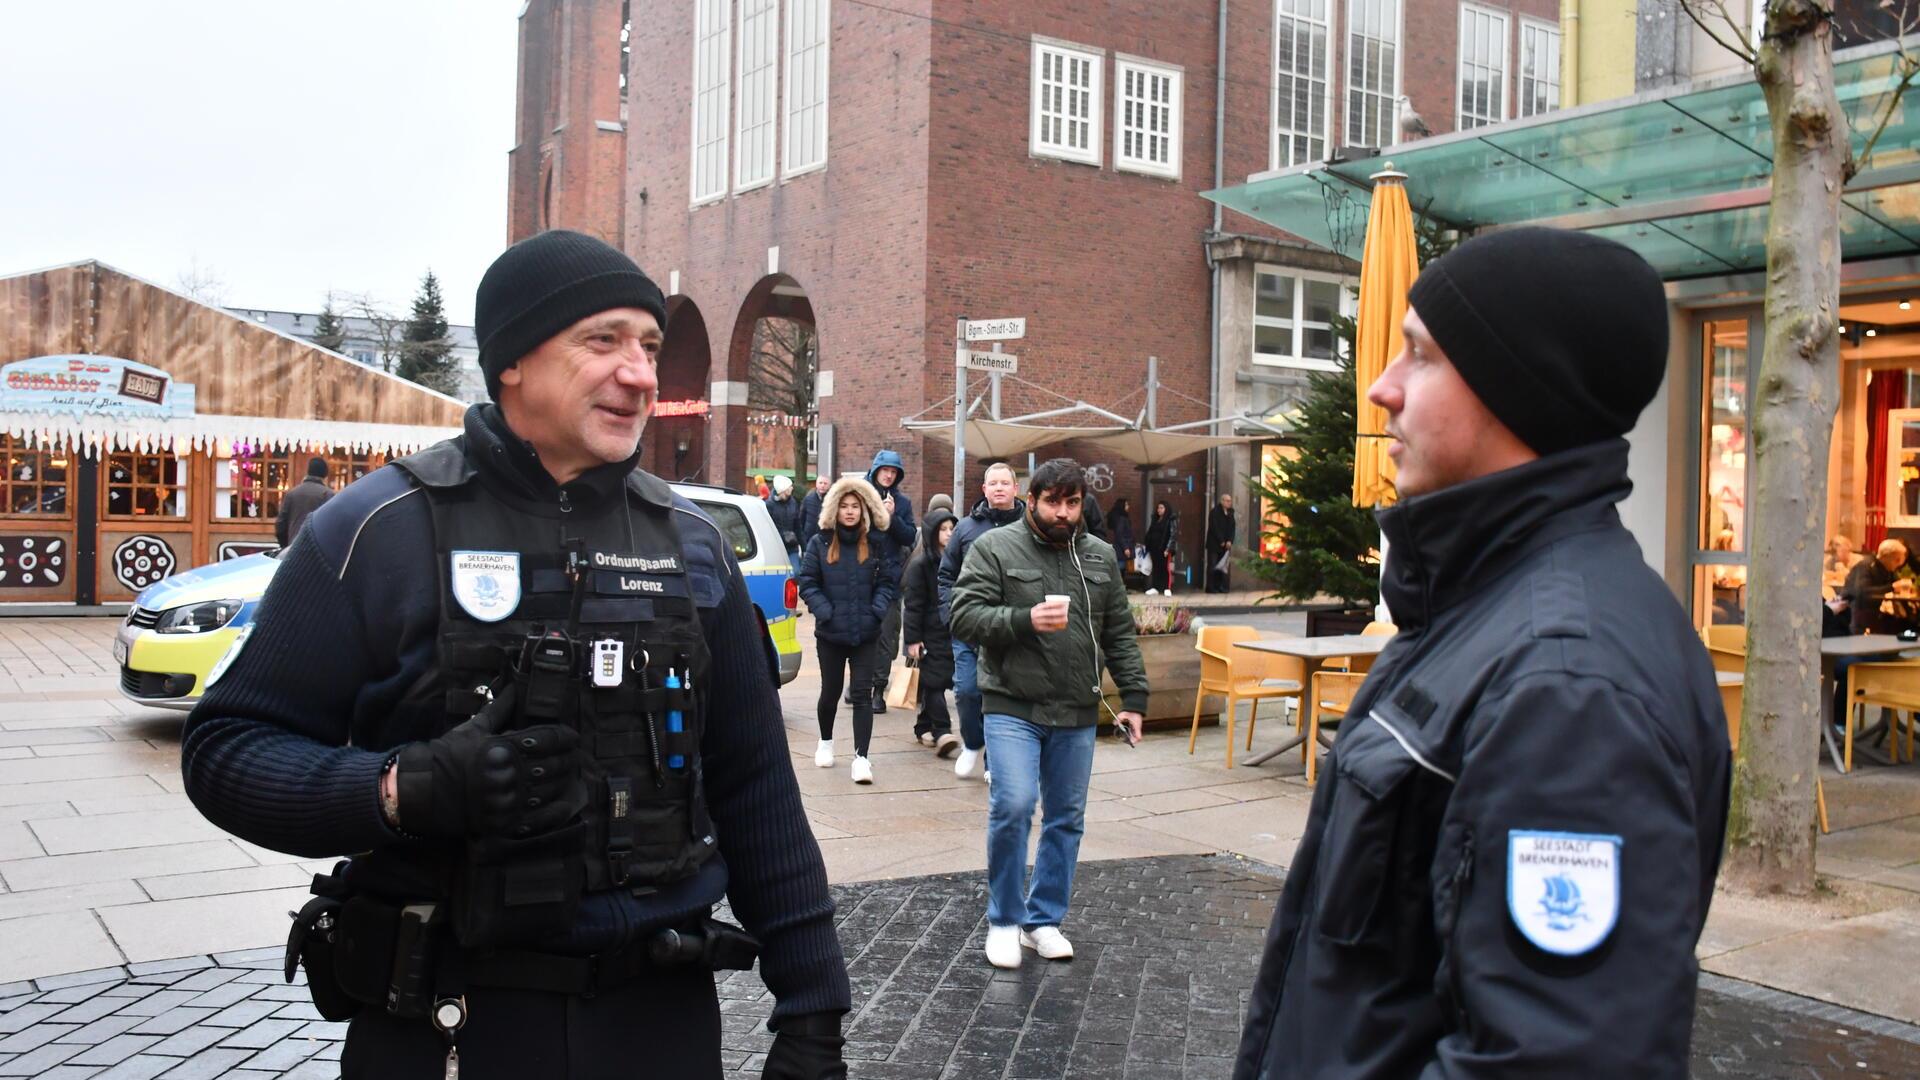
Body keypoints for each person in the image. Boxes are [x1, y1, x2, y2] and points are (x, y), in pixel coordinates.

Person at [180, 230, 850, 1080]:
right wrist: (399, 789)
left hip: (657, 1024)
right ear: (512, 363)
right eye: (602, 340)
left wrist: (813, 1012)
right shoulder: (374, 531)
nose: (641, 373)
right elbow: (226, 750)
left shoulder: (692, 546)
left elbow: (754, 788)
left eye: (648, 346)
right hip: (445, 1025)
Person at [1233, 228, 1729, 1079]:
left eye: (1419, 356)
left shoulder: (1569, 686)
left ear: (1515, 389)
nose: (1382, 389)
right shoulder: (1488, 609)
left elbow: (1554, 1058)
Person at [949, 457, 1147, 970]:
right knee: (1013, 805)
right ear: (1030, 500)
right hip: (1012, 702)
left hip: (1077, 707)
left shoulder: (1099, 557)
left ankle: (1043, 920)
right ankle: (1004, 920)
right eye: (1053, 501)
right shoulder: (995, 547)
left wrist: (1136, 700)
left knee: (1066, 818)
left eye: (1072, 502)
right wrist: (1024, 619)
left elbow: (1120, 634)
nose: (1063, 513)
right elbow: (963, 615)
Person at [797, 475, 896, 784]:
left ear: (863, 510)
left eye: (855, 506)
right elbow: (808, 581)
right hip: (831, 634)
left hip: (866, 633)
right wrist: (826, 612)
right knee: (830, 692)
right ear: (835, 510)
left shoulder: (876, 544)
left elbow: (887, 582)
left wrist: (876, 612)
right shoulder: (820, 542)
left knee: (863, 695)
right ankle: (826, 740)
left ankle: (861, 758)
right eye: (844, 506)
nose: (850, 511)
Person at [937, 462, 1025, 780]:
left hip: (1011, 629)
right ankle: (973, 743)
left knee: (1002, 698)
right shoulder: (965, 528)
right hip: (969, 628)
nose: (999, 488)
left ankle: (994, 761)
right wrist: (951, 614)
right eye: (993, 483)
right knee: (967, 691)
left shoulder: (1031, 526)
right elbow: (946, 574)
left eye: (1005, 482)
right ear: (984, 489)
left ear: (1016, 489)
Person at [901, 507, 960, 757]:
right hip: (928, 634)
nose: (948, 534)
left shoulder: (959, 560)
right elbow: (912, 605)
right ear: (932, 533)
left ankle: (923, 726)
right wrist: (913, 640)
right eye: (943, 529)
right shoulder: (921, 565)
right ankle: (943, 731)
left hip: (953, 630)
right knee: (934, 682)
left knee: (936, 681)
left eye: (951, 529)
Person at [863, 450, 918, 713]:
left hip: (889, 580)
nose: (888, 475)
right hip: (860, 577)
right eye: (885, 470)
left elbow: (909, 537)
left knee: (887, 636)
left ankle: (877, 689)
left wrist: (893, 517)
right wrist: (877, 517)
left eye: (893, 471)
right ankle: (859, 684)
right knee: (860, 634)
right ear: (875, 470)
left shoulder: (902, 502)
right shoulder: (860, 496)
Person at [275, 457, 335, 547]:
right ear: (325, 474)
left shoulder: (292, 493)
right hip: (317, 548)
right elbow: (332, 525)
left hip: (293, 546)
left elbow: (280, 524)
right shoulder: (327, 495)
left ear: (308, 471)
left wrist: (286, 546)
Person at [765, 474, 805, 565]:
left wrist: (804, 548)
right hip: (776, 547)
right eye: (789, 486)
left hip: (792, 546)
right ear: (783, 489)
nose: (792, 488)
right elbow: (768, 528)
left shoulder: (793, 502)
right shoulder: (769, 505)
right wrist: (783, 536)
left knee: (796, 573)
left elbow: (797, 526)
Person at [1143, 500, 1177, 595]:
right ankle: (1155, 587)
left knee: (1165, 568)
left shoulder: (1170, 519)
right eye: (1158, 508)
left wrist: (1168, 548)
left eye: (1161, 508)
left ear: (1166, 509)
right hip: (1155, 548)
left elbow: (1172, 535)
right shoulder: (1155, 519)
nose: (1159, 510)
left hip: (1164, 548)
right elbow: (1150, 532)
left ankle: (1167, 587)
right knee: (1156, 567)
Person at [1204, 494, 1235, 593]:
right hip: (1214, 543)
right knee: (1213, 565)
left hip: (1226, 545)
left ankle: (1221, 586)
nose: (1229, 503)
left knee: (1222, 566)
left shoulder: (1230, 513)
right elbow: (1214, 527)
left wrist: (1230, 540)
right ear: (1222, 501)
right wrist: (1221, 540)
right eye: (1227, 501)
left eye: (1230, 501)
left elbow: (1232, 528)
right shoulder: (1215, 512)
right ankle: (1211, 587)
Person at [798, 475, 830, 553]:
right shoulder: (808, 499)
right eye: (820, 483)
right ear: (816, 484)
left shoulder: (832, 500)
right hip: (809, 539)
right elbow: (801, 520)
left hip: (827, 539)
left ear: (829, 485)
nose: (822, 485)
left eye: (825, 483)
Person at [1108, 498, 1135, 564]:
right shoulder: (1122, 519)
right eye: (1126, 505)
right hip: (1122, 550)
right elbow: (1119, 534)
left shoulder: (1118, 519)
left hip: (1119, 548)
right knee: (1121, 569)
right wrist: (1126, 548)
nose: (1128, 507)